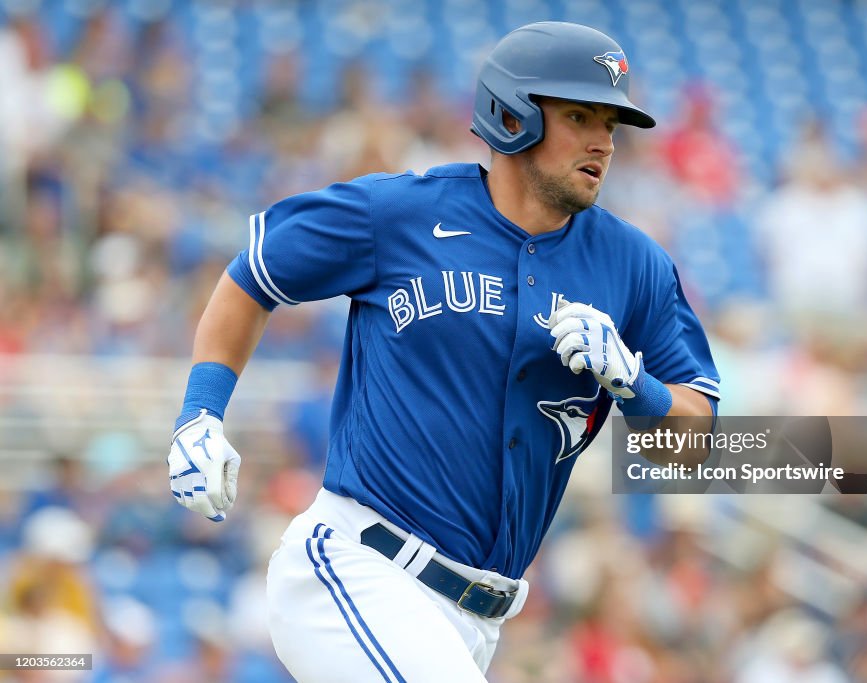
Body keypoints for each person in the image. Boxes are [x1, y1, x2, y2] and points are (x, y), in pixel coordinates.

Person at [166, 21, 720, 682]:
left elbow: (692, 444)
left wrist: (637, 384)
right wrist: (200, 413)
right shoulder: (399, 213)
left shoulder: (637, 267)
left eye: (612, 123)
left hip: (477, 621)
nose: (603, 140)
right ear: (513, 115)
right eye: (579, 115)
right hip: (357, 565)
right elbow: (253, 276)